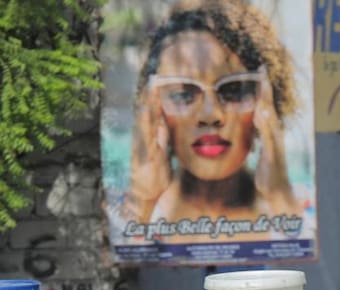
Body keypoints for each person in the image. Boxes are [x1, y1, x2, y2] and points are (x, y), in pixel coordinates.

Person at [124, 0, 301, 232]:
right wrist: (144, 200)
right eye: (183, 93)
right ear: (153, 107)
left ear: (267, 100)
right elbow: (123, 261)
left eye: (234, 90)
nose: (210, 115)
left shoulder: (298, 205)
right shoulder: (129, 212)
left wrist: (280, 194)